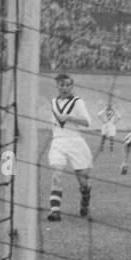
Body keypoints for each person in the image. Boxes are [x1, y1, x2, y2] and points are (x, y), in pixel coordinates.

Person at [45, 73, 94, 223]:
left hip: (75, 142)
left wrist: (69, 117)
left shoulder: (78, 102)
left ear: (72, 86)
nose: (64, 88)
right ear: (57, 86)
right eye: (61, 85)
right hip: (58, 142)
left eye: (67, 85)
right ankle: (55, 211)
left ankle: (85, 199)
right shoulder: (53, 102)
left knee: (83, 182)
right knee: (56, 175)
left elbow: (87, 122)